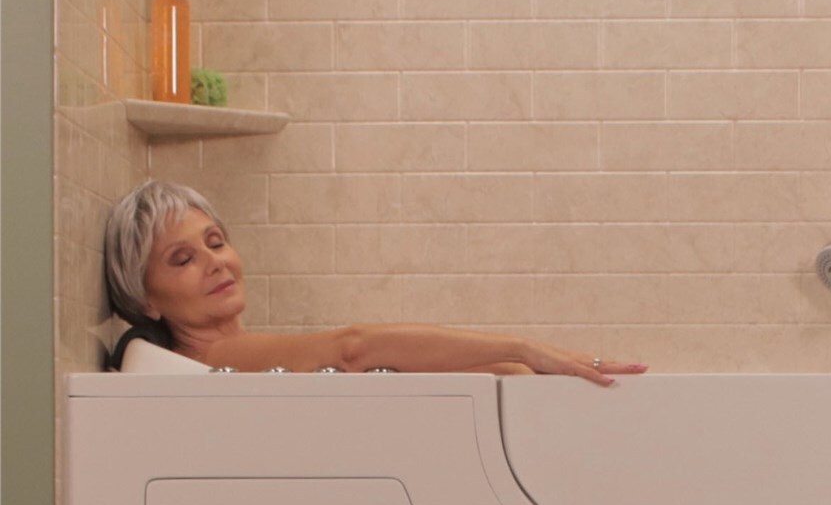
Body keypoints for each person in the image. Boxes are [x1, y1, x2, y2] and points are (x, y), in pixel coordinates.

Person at [104, 180, 646, 385]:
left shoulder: (238, 360)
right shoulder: (210, 362)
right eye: (182, 259)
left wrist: (513, 364)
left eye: (216, 242)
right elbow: (354, 349)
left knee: (510, 373)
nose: (214, 263)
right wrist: (524, 347)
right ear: (146, 299)